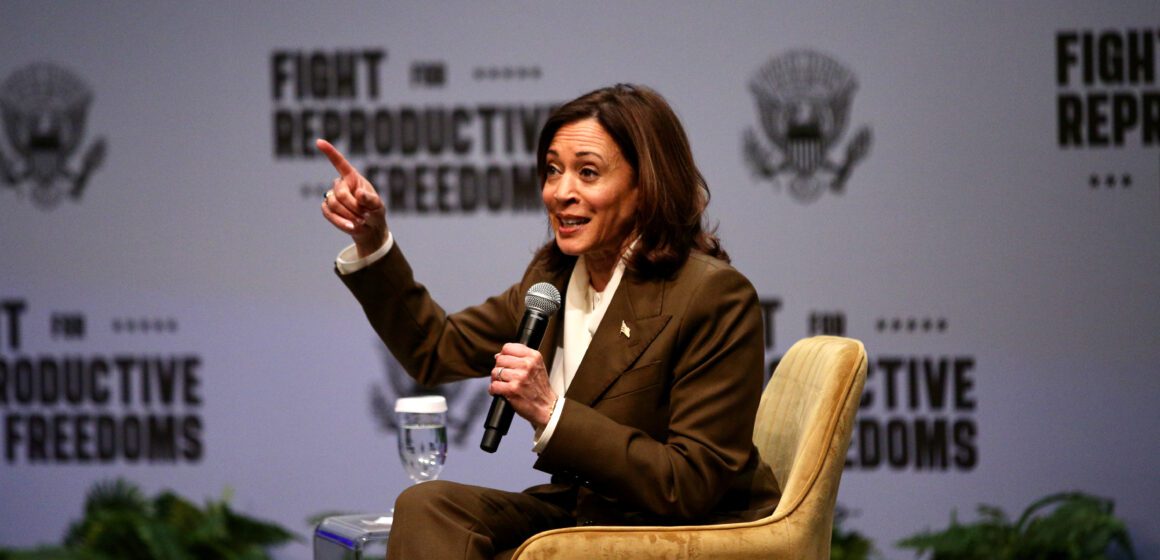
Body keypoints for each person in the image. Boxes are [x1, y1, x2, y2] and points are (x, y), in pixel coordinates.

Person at [319, 83, 779, 560]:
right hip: (584, 511)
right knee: (429, 506)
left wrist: (550, 411)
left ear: (646, 185)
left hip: (676, 528)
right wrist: (373, 241)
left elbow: (691, 482)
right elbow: (434, 348)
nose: (561, 193)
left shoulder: (711, 294)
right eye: (553, 171)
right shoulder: (552, 280)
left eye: (587, 172)